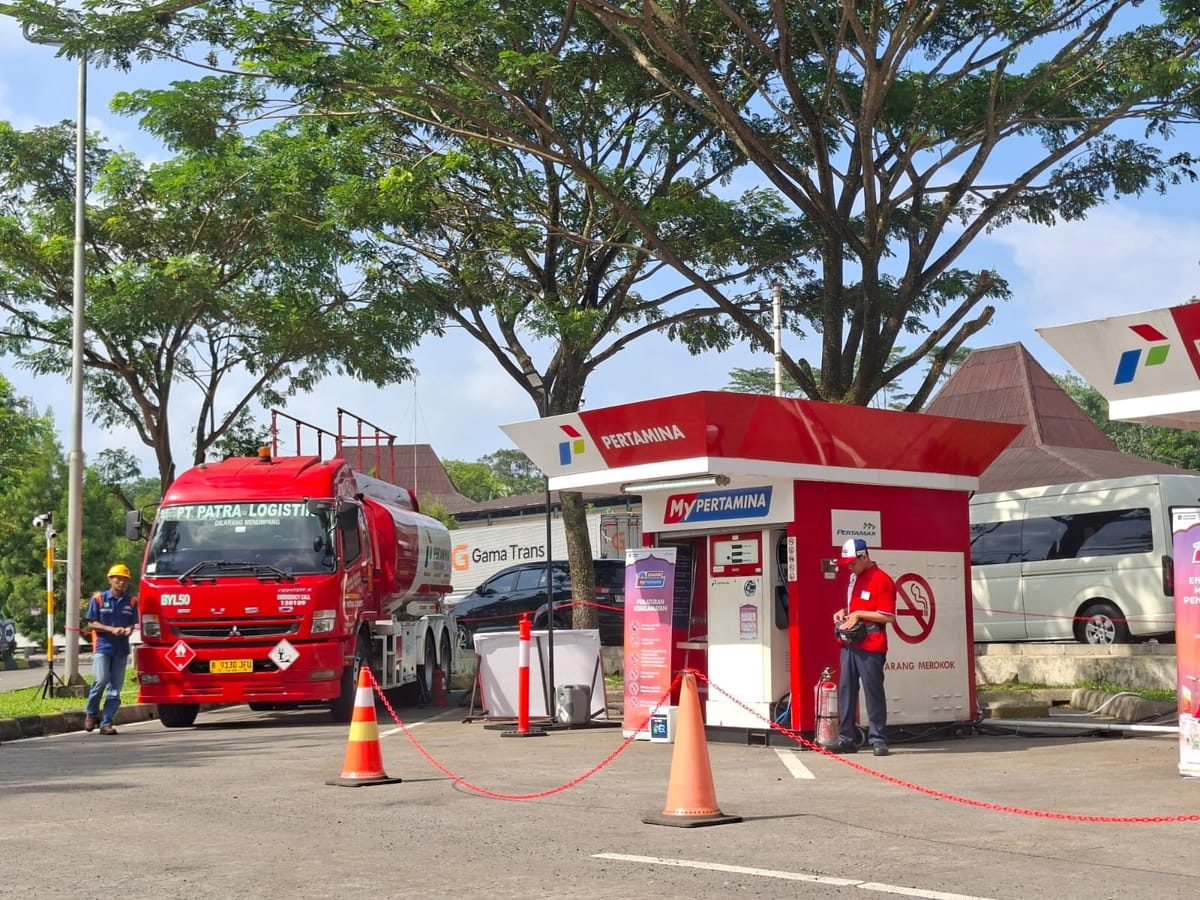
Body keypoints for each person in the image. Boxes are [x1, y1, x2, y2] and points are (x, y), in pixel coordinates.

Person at [827, 538, 896, 757]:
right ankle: (846, 738)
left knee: (873, 691)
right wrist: (844, 612)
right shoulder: (852, 579)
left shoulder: (882, 580)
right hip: (850, 643)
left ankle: (878, 739)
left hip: (872, 645)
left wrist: (858, 614)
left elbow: (887, 617)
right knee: (847, 690)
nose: (849, 566)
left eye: (852, 562)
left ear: (864, 557)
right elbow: (855, 607)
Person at [84, 563, 138, 736]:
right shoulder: (99, 599)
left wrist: (128, 629)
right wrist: (110, 629)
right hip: (103, 647)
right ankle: (91, 714)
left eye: (124, 580)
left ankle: (106, 723)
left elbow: (132, 622)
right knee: (100, 681)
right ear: (110, 579)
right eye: (118, 579)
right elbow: (92, 623)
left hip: (121, 650)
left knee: (115, 688)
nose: (121, 582)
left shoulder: (131, 601)